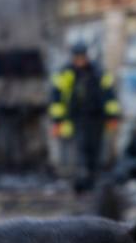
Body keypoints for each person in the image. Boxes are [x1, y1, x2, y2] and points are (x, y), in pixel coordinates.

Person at [49, 43, 120, 191]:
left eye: (82, 58)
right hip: (75, 119)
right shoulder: (65, 73)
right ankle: (80, 183)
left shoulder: (98, 72)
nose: (80, 61)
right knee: (79, 151)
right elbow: (56, 98)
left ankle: (92, 183)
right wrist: (57, 121)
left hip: (96, 119)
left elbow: (109, 95)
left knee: (95, 151)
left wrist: (112, 116)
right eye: (77, 58)